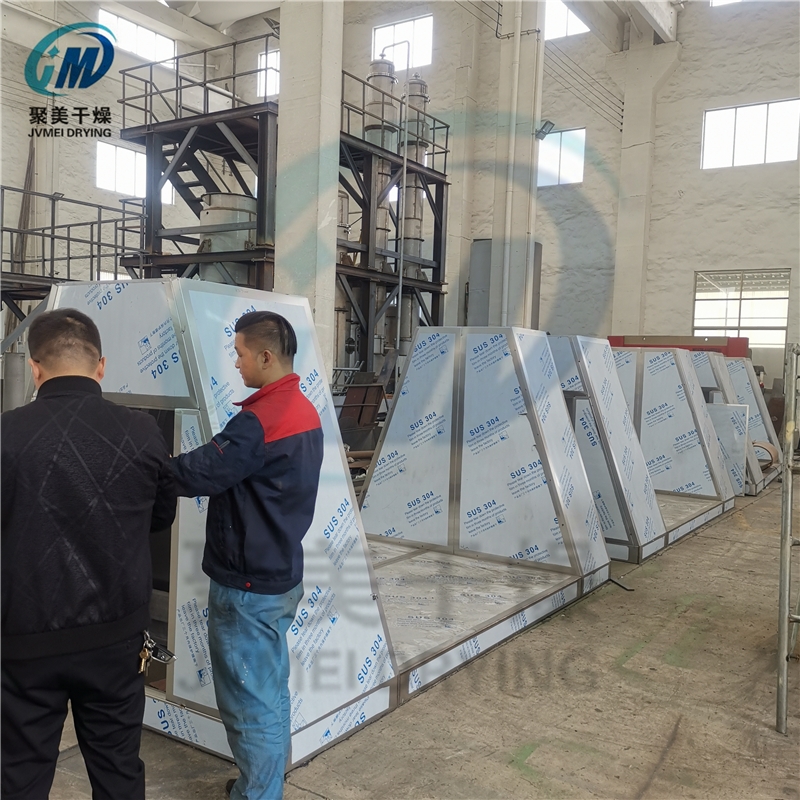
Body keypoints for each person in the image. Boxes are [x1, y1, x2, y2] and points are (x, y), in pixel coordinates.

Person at [1, 308, 177, 800]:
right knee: (118, 771)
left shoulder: (6, 433)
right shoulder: (142, 431)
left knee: (19, 775)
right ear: (101, 366)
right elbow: (159, 517)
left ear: (35, 368)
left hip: (24, 641)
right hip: (117, 639)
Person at [169, 310, 324, 800]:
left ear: (266, 356)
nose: (235, 363)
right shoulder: (303, 409)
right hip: (279, 576)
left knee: (248, 706)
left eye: (239, 354)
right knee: (269, 694)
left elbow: (198, 472)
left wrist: (141, 464)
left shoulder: (260, 421)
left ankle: (257, 794)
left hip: (247, 589)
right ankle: (263, 785)